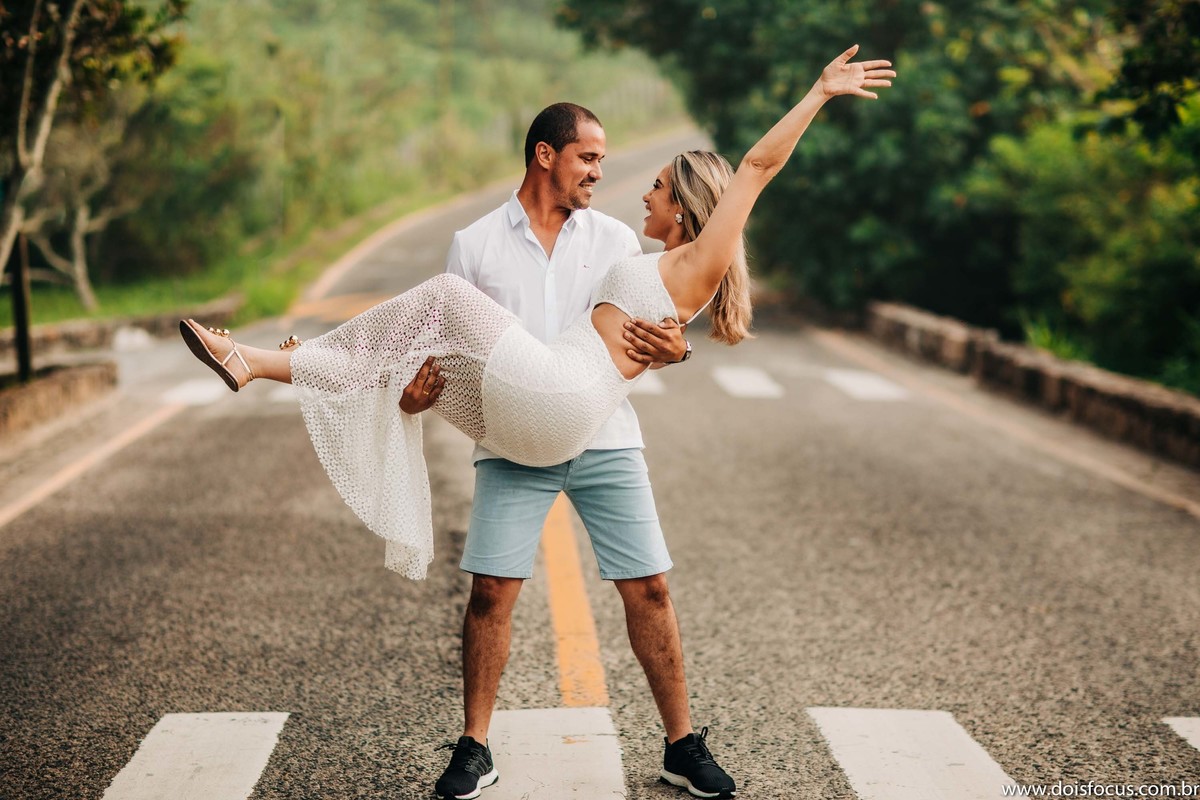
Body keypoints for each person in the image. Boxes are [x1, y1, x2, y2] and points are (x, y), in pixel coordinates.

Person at [178, 45, 894, 799]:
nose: (617, 183)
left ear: (683, 207)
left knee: (646, 585)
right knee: (484, 568)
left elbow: (755, 170)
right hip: (523, 416)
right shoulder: (484, 243)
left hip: (579, 415)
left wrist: (817, 93)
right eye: (591, 158)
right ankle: (473, 747)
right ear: (545, 155)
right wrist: (412, 396)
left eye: (643, 181)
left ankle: (267, 360)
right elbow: (447, 357)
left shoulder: (638, 248)